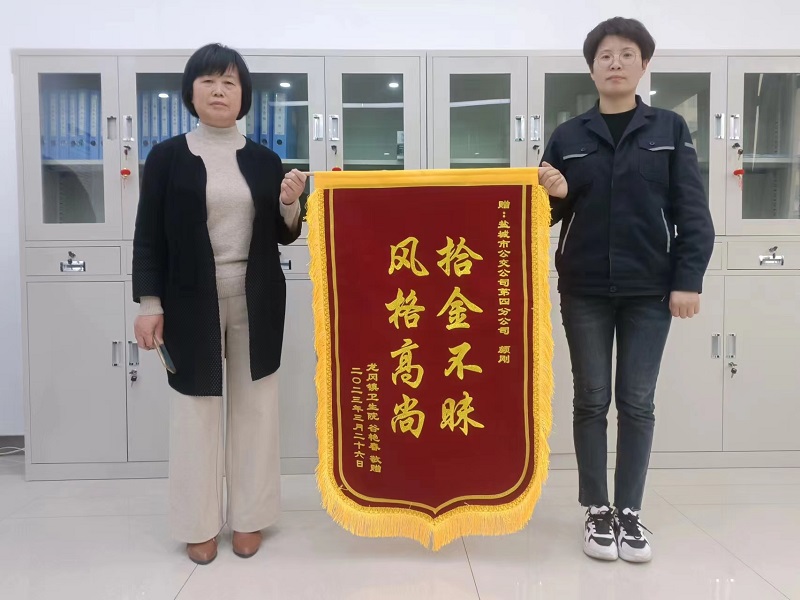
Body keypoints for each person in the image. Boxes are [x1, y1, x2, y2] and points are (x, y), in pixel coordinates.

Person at [538, 17, 714, 563]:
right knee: (591, 399)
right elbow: (542, 218)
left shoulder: (669, 129)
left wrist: (687, 279)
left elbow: (692, 211)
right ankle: (597, 509)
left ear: (644, 65)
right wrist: (555, 194)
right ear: (591, 68)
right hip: (585, 288)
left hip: (649, 290)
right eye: (605, 55)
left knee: (637, 402)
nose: (616, 62)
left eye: (627, 54)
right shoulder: (569, 136)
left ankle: (630, 511)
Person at [132, 43, 305, 565]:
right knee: (195, 414)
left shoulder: (264, 159)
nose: (219, 91)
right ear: (191, 91)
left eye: (230, 82)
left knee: (257, 411)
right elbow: (148, 235)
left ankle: (250, 517)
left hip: (257, 299)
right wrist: (150, 302)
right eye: (208, 81)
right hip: (190, 303)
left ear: (243, 95)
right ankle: (198, 524)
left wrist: (290, 203)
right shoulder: (167, 157)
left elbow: (282, 233)